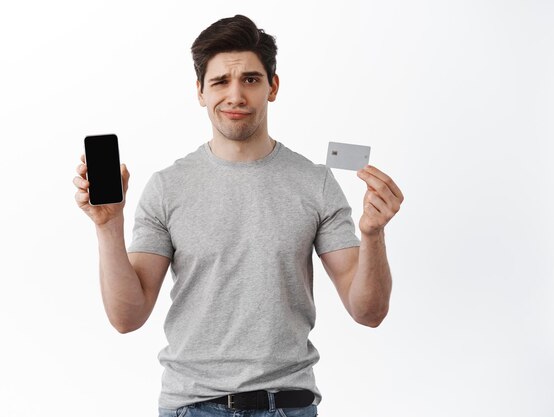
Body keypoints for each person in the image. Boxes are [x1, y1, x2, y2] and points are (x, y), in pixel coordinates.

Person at [74, 14, 404, 417]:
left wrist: (372, 235)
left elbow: (368, 312)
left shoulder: (315, 183)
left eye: (250, 79)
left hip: (289, 405)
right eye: (219, 82)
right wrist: (109, 226)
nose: (235, 96)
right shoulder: (168, 187)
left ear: (273, 86)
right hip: (192, 406)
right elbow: (127, 317)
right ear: (199, 92)